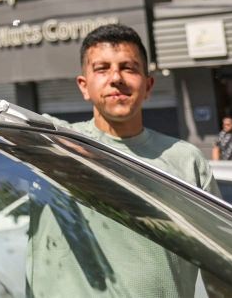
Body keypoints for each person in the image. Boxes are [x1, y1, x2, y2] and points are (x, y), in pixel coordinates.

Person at [23, 23, 219, 297]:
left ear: (148, 85)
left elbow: (220, 270)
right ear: (84, 86)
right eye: (102, 69)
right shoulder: (53, 143)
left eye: (129, 67)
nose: (116, 78)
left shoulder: (187, 160)